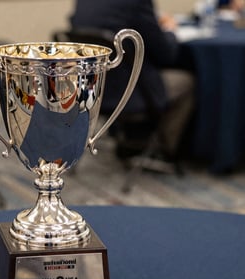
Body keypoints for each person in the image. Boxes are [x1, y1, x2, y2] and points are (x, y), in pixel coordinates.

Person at [70, 0, 195, 162]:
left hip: (91, 91)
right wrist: (171, 30)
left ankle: (134, 139)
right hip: (131, 94)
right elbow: (165, 53)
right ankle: (162, 149)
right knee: (188, 81)